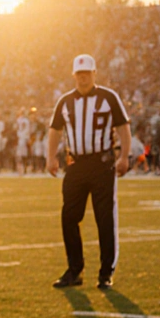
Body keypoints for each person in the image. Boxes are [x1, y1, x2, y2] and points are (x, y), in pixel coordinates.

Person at [47, 53, 130, 289]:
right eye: (79, 74)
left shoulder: (108, 97)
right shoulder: (64, 102)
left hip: (102, 164)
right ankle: (75, 270)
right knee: (69, 216)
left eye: (87, 74)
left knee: (105, 218)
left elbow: (123, 127)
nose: (83, 78)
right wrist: (50, 156)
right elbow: (55, 129)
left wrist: (124, 155)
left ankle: (105, 273)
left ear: (94, 74)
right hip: (75, 164)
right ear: (74, 75)